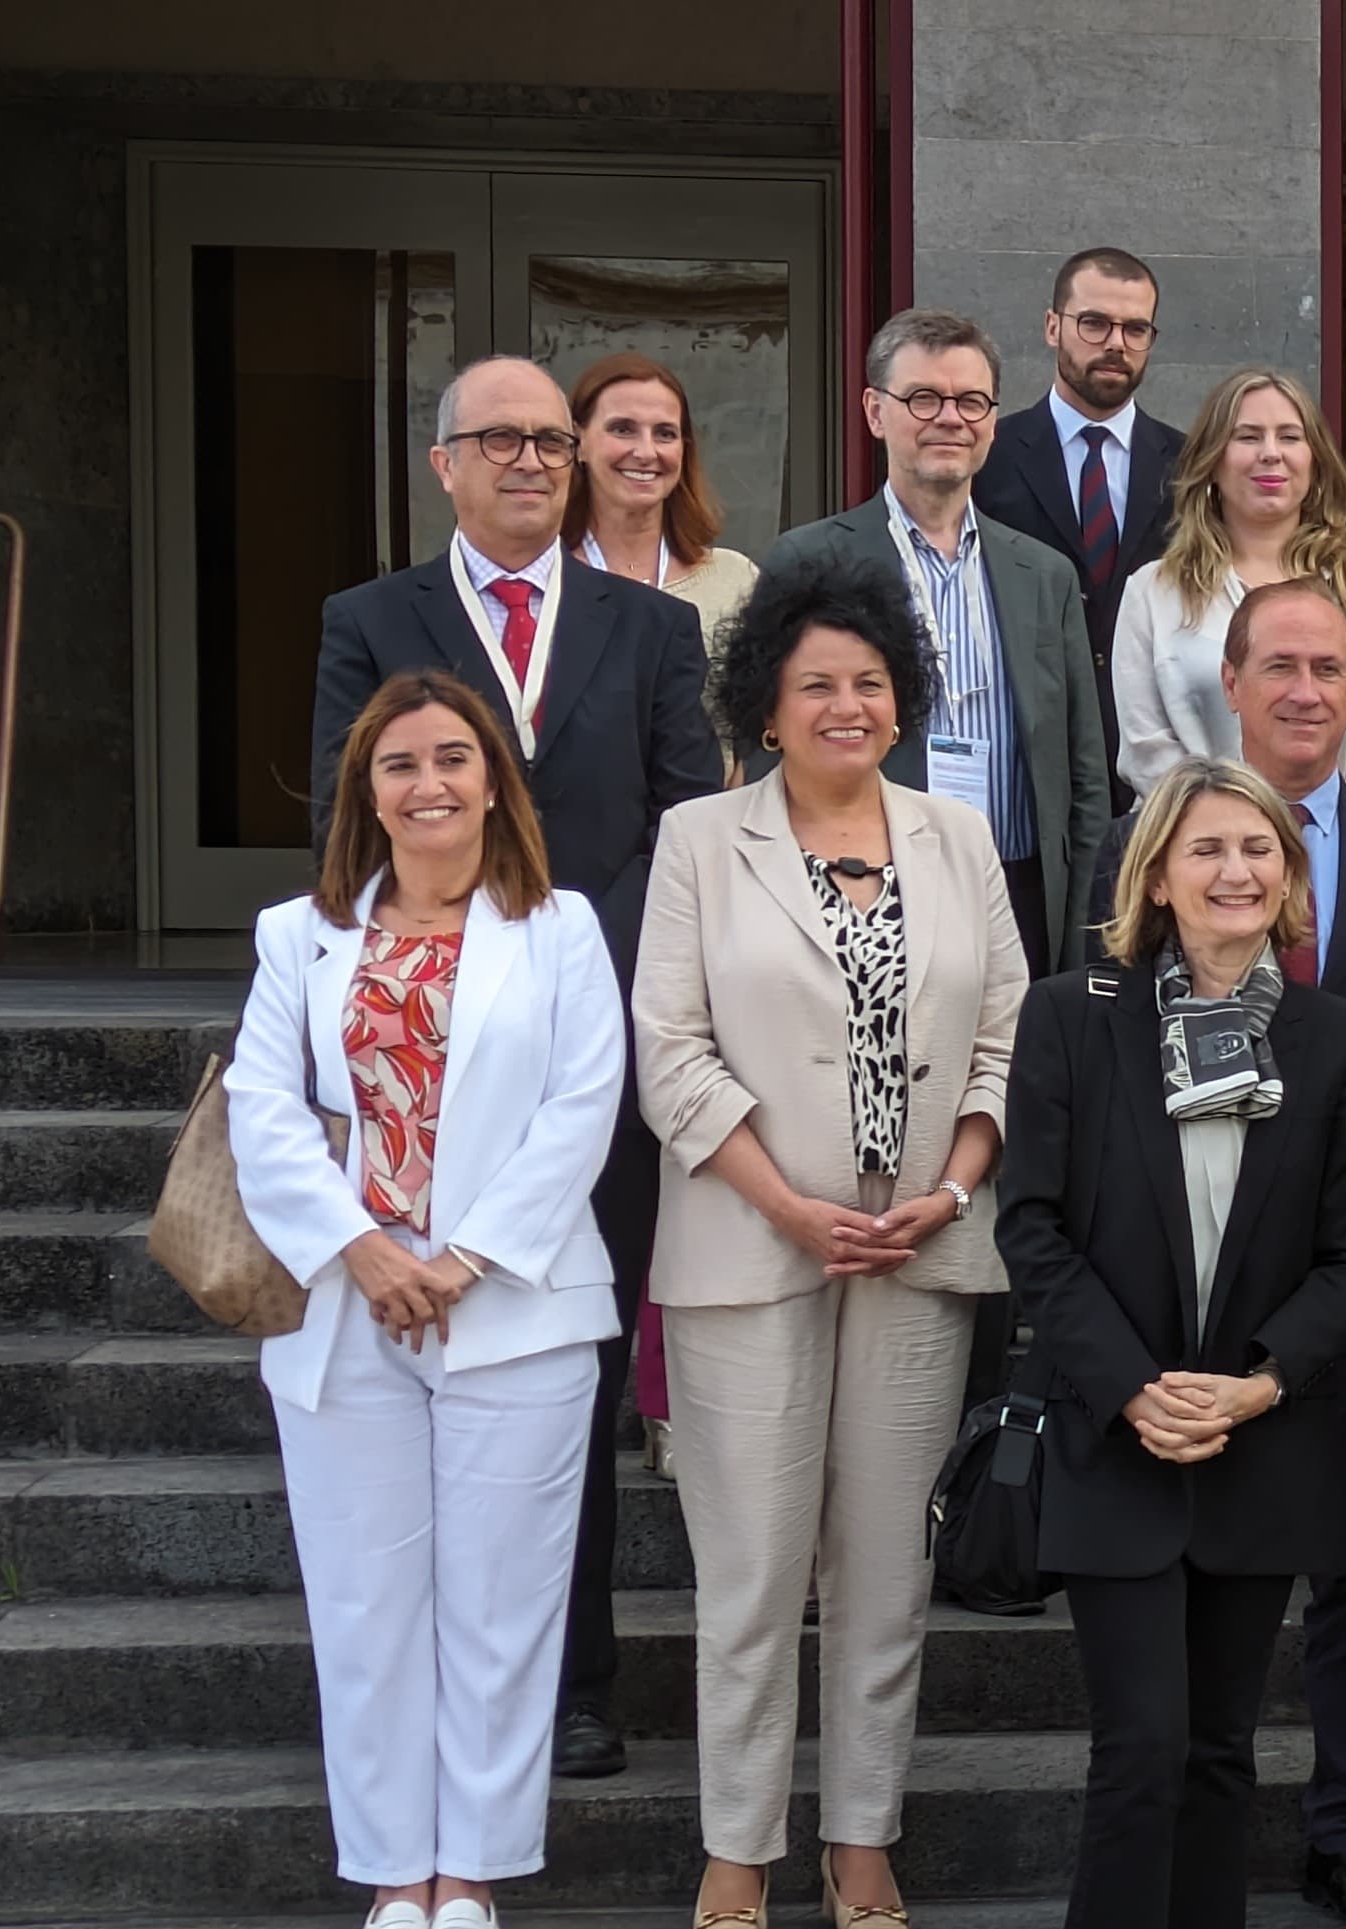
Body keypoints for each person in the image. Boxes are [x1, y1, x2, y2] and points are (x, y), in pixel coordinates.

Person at [305, 351, 721, 1785]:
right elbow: (346, 824)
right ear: (445, 464)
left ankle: (572, 1683)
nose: (533, 461)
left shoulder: (652, 627)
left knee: (570, 1382)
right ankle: (418, 1684)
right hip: (419, 1072)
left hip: (594, 1070)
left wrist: (588, 985)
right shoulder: (372, 621)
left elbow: (688, 835)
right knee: (409, 1382)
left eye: (551, 439)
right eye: (501, 439)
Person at [998, 758, 1346, 1929]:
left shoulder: (1333, 1038)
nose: (1237, 873)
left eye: (1260, 851)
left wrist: (1266, 1379)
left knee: (1223, 1755)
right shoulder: (1073, 1018)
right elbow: (1033, 1228)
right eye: (1208, 850)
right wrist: (1133, 1388)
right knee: (1143, 1750)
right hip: (1119, 1439)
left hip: (1256, 1439)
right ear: (1155, 877)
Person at [634, 552, 1029, 1929]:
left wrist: (955, 1187)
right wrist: (790, 1203)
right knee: (750, 1571)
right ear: (767, 702)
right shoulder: (700, 841)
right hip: (752, 1246)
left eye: (868, 681)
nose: (845, 705)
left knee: (883, 1573)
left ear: (902, 698)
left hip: (920, 1249)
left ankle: (862, 1839)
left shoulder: (957, 840)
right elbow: (669, 1053)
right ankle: (737, 1846)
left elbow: (1009, 1041)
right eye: (815, 684)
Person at [234, 672, 628, 1929]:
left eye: (453, 758)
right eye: (399, 764)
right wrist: (358, 1248)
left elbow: (584, 1103)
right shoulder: (298, 936)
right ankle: (393, 1875)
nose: (429, 784)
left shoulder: (560, 929)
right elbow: (261, 1109)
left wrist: (463, 1258)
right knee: (366, 1609)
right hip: (345, 1314)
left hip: (514, 1310)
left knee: (503, 1609)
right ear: (368, 791)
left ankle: (474, 1877)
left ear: (494, 782)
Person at [766, 308, 1111, 977]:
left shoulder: (1044, 575)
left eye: (971, 401)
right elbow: (770, 752)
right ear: (875, 412)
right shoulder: (809, 562)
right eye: (924, 398)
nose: (950, 418)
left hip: (1021, 891)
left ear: (992, 421)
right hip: (866, 887)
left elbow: (1084, 773)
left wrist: (1081, 935)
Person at [1111, 366, 1346, 801]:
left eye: (1290, 437)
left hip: (1340, 837)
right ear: (1212, 461)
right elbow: (1146, 748)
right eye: (1248, 437)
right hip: (1191, 833)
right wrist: (1238, 822)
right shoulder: (1152, 592)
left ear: (1315, 462)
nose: (1271, 453)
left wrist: (1322, 824)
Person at [972, 247, 1185, 756]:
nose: (1116, 343)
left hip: (1155, 749)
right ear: (1053, 327)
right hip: (1023, 741)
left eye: (1135, 329)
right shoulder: (988, 456)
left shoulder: (1192, 467)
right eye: (1094, 323)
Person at [566, 353, 765, 664]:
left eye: (665, 434)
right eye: (623, 429)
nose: (646, 452)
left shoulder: (736, 581)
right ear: (579, 443)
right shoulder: (543, 580)